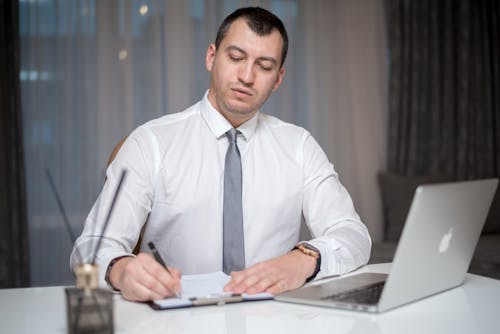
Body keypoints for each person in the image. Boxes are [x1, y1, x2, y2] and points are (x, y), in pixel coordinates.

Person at [71, 7, 371, 302]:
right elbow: (91, 247)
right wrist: (122, 270)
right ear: (211, 57)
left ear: (278, 79)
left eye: (264, 66)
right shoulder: (150, 143)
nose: (247, 76)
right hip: (178, 320)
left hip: (275, 319)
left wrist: (303, 260)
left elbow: (353, 234)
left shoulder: (300, 146)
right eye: (236, 58)